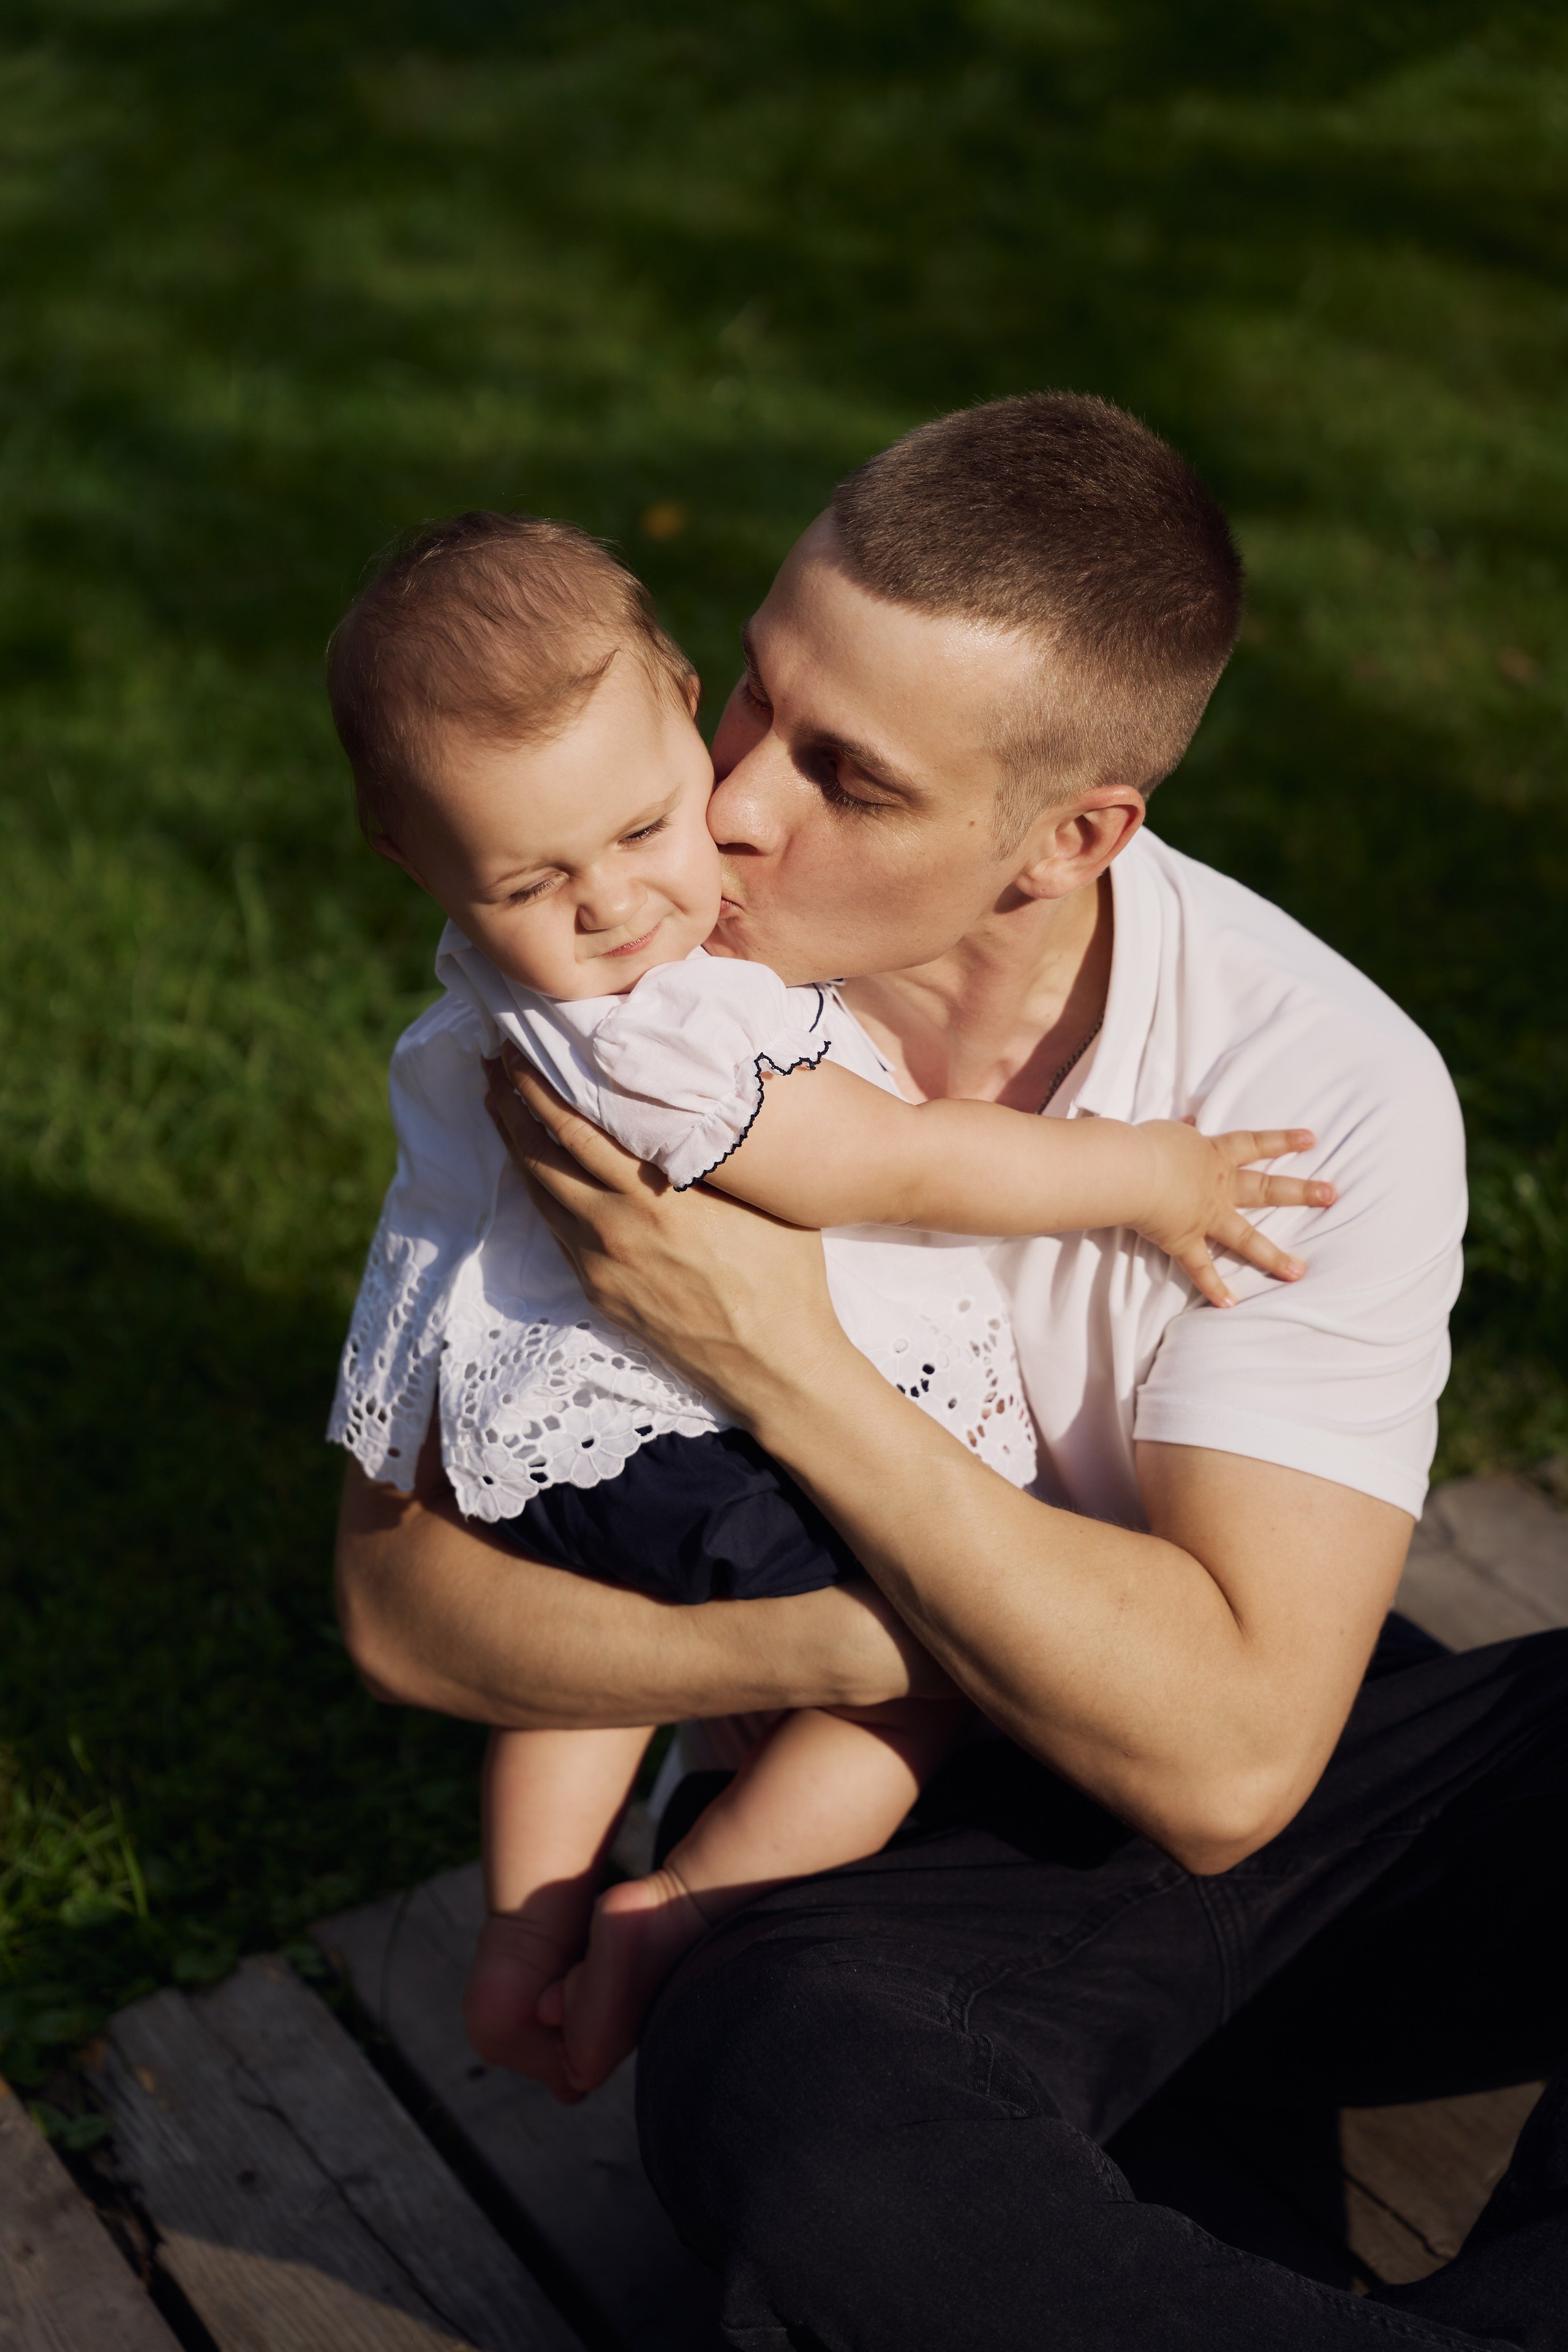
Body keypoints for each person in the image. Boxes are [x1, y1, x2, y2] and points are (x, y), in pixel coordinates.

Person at [336, 394, 1568, 2347]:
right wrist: (845, 1660)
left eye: (852, 774)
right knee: (803, 2136)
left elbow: (1236, 1763)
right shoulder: (616, 999)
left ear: (1068, 838)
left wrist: (775, 1355)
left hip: (1274, 1790)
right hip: (889, 1867)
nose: (731, 805)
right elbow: (406, 1610)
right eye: (753, 690)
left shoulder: (1307, 1084)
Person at [324, 509, 1324, 2097]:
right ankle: (689, 1903)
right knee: (931, 1682)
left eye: (651, 826)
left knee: (604, 1644)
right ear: (416, 852)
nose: (618, 905)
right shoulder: (661, 1032)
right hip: (680, 1425)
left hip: (554, 1438)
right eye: (540, 878)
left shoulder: (505, 970)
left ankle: (526, 1928)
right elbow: (898, 1162)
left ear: (676, 695)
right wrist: (1149, 1177)